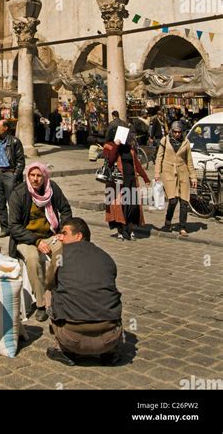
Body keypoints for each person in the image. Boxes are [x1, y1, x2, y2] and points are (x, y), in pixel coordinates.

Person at [45, 217, 123, 367]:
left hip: (71, 339)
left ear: (79, 236)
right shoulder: (106, 257)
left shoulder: (61, 254)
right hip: (109, 338)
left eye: (65, 233)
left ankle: (61, 349)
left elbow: (48, 282)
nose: (60, 237)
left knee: (49, 291)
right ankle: (109, 353)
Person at [8, 162, 72, 321]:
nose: (35, 179)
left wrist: (63, 232)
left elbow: (65, 210)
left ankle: (53, 288)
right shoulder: (19, 193)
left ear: (44, 177)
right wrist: (36, 242)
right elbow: (14, 226)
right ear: (28, 176)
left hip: (50, 234)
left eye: (39, 176)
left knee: (63, 251)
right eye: (32, 175)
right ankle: (41, 304)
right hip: (26, 237)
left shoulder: (52, 189)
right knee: (32, 259)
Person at [103, 127, 150, 241]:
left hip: (131, 180)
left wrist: (145, 177)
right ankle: (121, 230)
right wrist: (116, 145)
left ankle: (130, 228)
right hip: (117, 182)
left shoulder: (129, 147)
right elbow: (110, 161)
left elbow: (136, 163)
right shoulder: (109, 146)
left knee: (132, 206)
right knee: (119, 207)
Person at [155, 121, 197, 237]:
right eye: (175, 132)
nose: (177, 134)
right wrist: (157, 173)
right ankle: (168, 221)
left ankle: (182, 227)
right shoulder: (165, 140)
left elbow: (189, 161)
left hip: (183, 172)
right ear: (171, 131)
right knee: (173, 200)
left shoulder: (186, 142)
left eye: (179, 132)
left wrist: (193, 177)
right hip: (168, 172)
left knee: (184, 201)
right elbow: (159, 157)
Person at [0, 120, 25, 237]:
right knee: (0, 203)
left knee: (13, 202)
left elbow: (20, 162)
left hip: (9, 173)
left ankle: (15, 227)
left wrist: (14, 176)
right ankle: (4, 228)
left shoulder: (14, 142)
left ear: (6, 128)